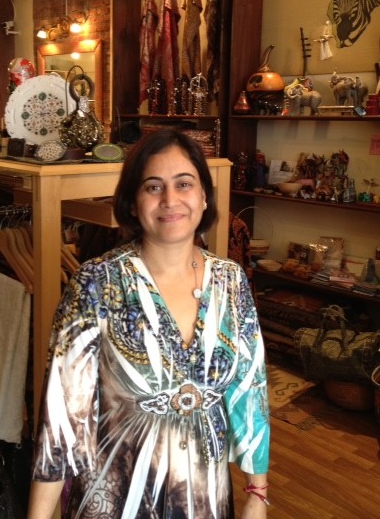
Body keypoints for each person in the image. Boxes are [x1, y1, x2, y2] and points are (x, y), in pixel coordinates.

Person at [27, 128, 270, 519]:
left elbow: (250, 390)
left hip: (205, 501)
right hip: (114, 503)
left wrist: (257, 493)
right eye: (153, 187)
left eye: (184, 184)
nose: (170, 200)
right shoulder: (96, 285)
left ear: (204, 196)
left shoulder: (231, 282)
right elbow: (60, 422)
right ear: (133, 202)